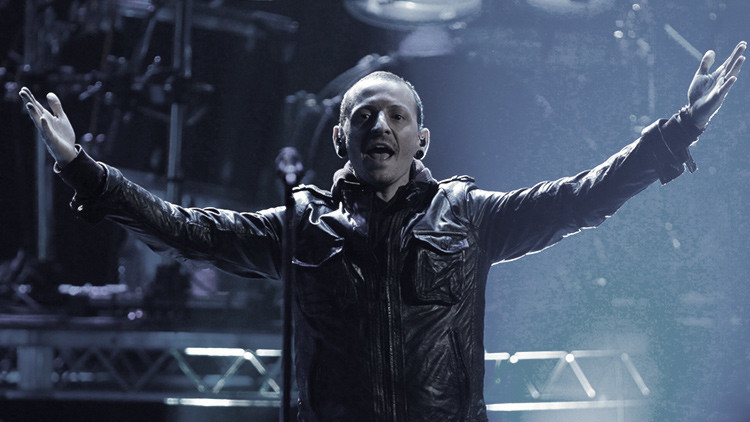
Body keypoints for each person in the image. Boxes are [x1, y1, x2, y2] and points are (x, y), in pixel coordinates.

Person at [18, 41, 746, 421]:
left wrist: (679, 130)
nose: (381, 125)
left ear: (422, 140)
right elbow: (186, 230)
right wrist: (83, 168)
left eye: (397, 115)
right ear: (342, 138)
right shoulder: (301, 228)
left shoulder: (471, 217)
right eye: (364, 114)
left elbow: (583, 197)